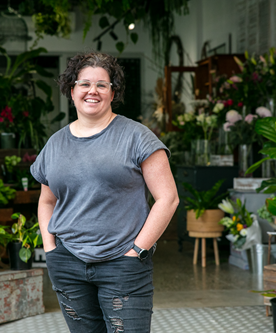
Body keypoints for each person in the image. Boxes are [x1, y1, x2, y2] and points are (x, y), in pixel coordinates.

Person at [30, 51, 179, 333]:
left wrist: (137, 250)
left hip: (123, 264)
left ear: (113, 92)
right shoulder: (55, 143)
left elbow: (168, 198)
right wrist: (50, 249)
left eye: (102, 84)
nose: (92, 91)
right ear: (71, 90)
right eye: (84, 83)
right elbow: (47, 200)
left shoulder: (137, 136)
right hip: (68, 263)